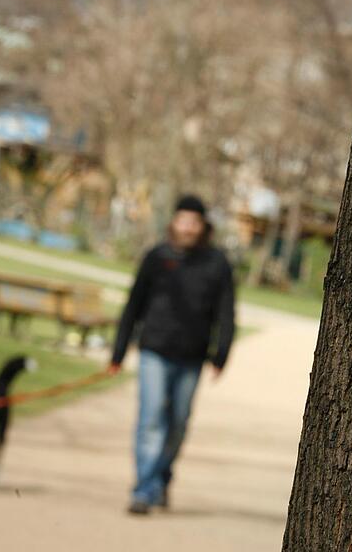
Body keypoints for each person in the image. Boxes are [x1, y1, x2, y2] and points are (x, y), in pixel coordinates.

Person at [109, 194, 235, 515]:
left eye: (194, 222)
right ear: (173, 222)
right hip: (154, 349)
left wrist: (221, 354)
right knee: (151, 419)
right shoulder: (156, 256)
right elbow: (133, 304)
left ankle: (162, 477)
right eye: (183, 220)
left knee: (177, 424)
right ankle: (143, 490)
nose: (188, 227)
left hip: (192, 356)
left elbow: (226, 311)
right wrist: (119, 351)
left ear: (203, 226)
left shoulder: (216, 263)